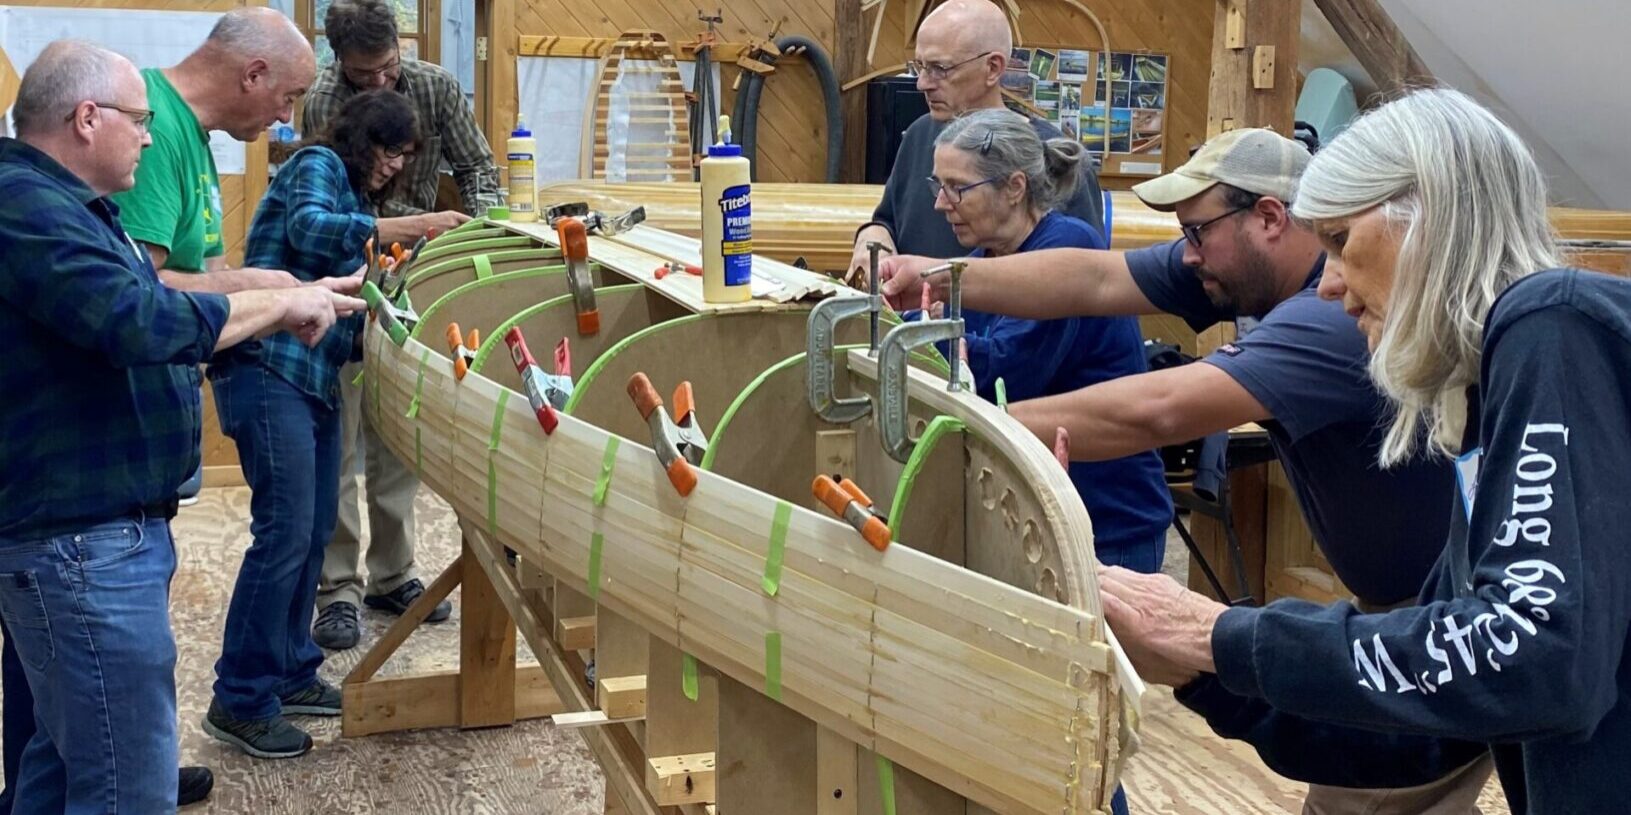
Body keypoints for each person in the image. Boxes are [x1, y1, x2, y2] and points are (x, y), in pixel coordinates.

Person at [880, 126, 1496, 812]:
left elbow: (1158, 409)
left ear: (1268, 218)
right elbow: (1095, 276)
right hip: (1404, 604)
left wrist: (957, 423)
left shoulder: (1325, 319)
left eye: (1198, 232)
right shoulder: (1242, 264)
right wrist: (937, 276)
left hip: (1439, 622)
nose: (1187, 252)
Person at [1097, 86, 1631, 815]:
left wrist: (1222, 633)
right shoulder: (1477, 415)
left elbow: (1539, 654)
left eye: (1341, 242)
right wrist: (1202, 669)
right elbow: (1416, 743)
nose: (1328, 287)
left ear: (1433, 218)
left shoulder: (1551, 324)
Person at [0, 40, 363, 812]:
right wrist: (279, 303)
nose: (149, 135)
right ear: (87, 118)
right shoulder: (24, 207)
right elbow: (137, 317)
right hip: (79, 543)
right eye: (136, 121)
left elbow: (147, 289)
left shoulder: (67, 208)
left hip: (91, 537)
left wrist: (278, 284)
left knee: (61, 763)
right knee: (125, 784)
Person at [203, 89, 426, 759]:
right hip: (268, 367)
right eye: (389, 150)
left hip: (312, 376)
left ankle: (292, 667)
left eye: (404, 157)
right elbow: (309, 229)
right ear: (363, 140)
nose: (392, 166)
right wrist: (402, 228)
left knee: (311, 530)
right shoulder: (318, 164)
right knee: (284, 533)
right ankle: (239, 698)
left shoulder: (355, 195)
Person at [302, 0, 491, 650]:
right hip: (353, 271)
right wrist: (402, 229)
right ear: (340, 66)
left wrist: (483, 230)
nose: (379, 81)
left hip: (424, 270)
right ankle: (338, 591)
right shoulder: (324, 99)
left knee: (397, 431)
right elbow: (329, 209)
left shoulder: (436, 85)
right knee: (345, 434)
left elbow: (479, 169)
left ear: (400, 49)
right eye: (364, 74)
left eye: (387, 68)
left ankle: (391, 573)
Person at [923, 109, 1171, 574]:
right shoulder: (987, 261)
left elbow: (1002, 377)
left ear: (1015, 188)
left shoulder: (1062, 248)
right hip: (1046, 513)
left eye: (958, 187)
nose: (941, 203)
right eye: (938, 185)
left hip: (1106, 524)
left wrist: (922, 329)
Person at [848, 0, 1103, 287]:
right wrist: (872, 234)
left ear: (993, 68)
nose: (922, 83)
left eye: (939, 68)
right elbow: (888, 222)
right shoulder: (919, 136)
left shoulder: (1055, 158)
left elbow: (1084, 283)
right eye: (919, 66)